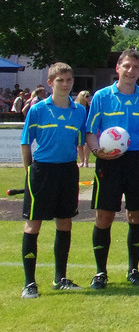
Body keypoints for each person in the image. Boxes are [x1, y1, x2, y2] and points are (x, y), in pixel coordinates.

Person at [84, 48, 139, 290]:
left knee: (137, 215)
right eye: (126, 66)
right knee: (104, 216)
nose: (130, 71)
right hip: (109, 161)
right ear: (118, 68)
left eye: (135, 67)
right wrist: (97, 151)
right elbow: (90, 131)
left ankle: (133, 270)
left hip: (138, 161)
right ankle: (100, 272)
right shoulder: (101, 97)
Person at [19, 63, 88, 298]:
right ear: (50, 83)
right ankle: (29, 283)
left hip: (68, 171)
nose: (66, 84)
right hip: (42, 171)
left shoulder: (79, 111)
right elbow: (26, 142)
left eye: (69, 80)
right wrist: (29, 172)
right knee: (33, 224)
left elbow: (82, 140)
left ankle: (60, 278)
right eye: (60, 80)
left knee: (65, 223)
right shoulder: (37, 110)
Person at [74, 90, 92, 168]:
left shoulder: (89, 107)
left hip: (88, 127)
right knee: (80, 145)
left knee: (88, 144)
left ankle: (86, 161)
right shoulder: (76, 107)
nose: (88, 98)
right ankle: (82, 161)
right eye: (86, 96)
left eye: (89, 96)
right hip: (80, 127)